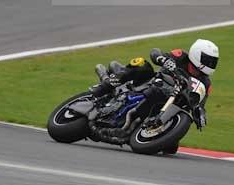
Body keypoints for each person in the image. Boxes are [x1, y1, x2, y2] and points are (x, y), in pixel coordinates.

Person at [89, 39, 219, 151]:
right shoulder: (181, 56)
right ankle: (104, 86)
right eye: (208, 60)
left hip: (171, 104)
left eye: (213, 61)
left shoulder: (206, 83)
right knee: (141, 64)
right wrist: (163, 59)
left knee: (171, 148)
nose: (210, 64)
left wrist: (200, 113)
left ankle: (141, 130)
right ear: (197, 54)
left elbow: (200, 103)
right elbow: (155, 52)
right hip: (153, 84)